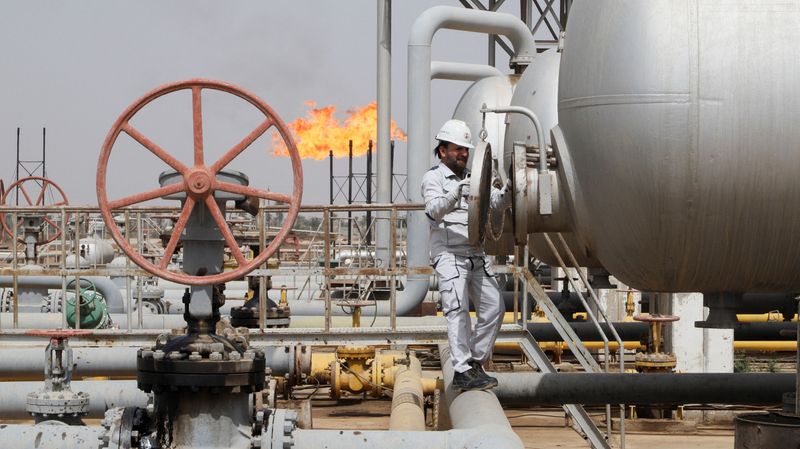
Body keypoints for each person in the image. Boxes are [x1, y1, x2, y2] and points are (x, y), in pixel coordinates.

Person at [421, 119, 511, 391]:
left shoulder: (475, 177)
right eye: (457, 148)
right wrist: (455, 192)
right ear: (442, 151)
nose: (462, 154)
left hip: (475, 251)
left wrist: (510, 188)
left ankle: (474, 363)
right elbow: (433, 210)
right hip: (449, 254)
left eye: (465, 149)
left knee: (495, 307)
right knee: (457, 309)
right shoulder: (433, 178)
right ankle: (461, 369)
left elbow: (496, 203)